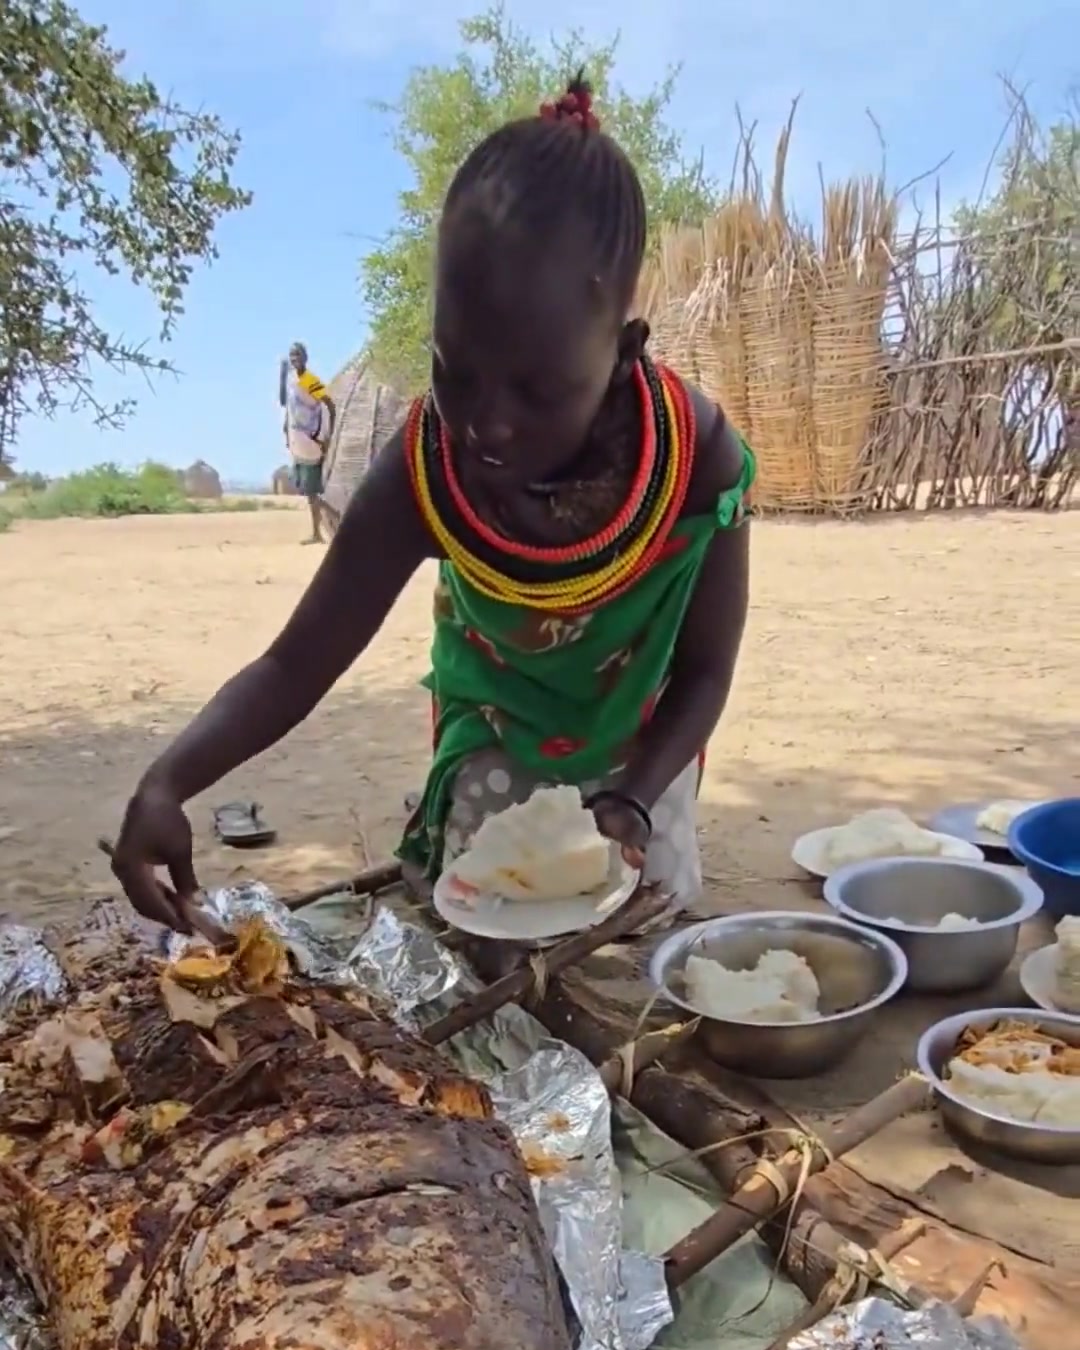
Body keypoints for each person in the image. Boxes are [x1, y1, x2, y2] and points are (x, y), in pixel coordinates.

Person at [113, 76, 754, 933]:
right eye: (456, 369)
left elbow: (707, 668)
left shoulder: (694, 458)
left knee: (630, 946)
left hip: (646, 749)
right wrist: (167, 781)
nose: (487, 422)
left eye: (536, 389)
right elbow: (294, 665)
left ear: (622, 352)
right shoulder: (426, 471)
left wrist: (635, 801)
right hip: (494, 736)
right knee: (484, 935)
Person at [279, 342, 335, 544]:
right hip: (298, 443)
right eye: (291, 356)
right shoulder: (293, 381)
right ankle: (321, 529)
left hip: (311, 443)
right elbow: (288, 408)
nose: (294, 359)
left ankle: (318, 533)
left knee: (312, 492)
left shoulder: (310, 380)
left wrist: (328, 435)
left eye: (297, 355)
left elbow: (329, 403)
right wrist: (286, 431)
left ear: (305, 357)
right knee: (309, 492)